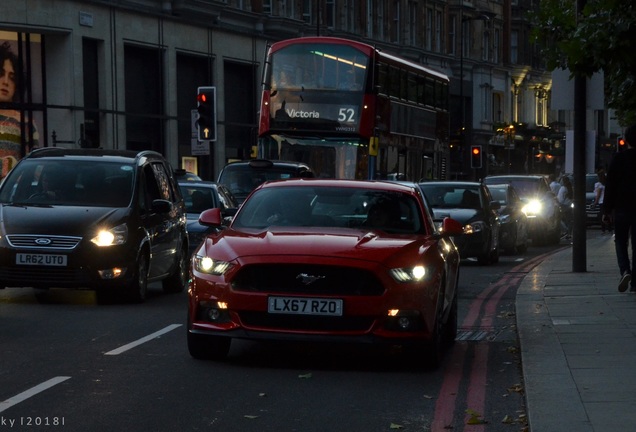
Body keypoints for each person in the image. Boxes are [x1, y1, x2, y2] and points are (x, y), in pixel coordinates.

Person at [603, 124, 636, 292]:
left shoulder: (618, 158)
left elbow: (610, 186)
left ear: (625, 140)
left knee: (621, 241)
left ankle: (625, 270)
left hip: (622, 207)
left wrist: (607, 210)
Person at [0, 41, 38, 178]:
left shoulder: (24, 121)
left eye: (12, 77)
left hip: (11, 192)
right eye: (1, 74)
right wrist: (8, 165)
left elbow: (34, 165)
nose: (5, 82)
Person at [594, 169, 611, 234]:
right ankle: (609, 228)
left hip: (601, 202)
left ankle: (604, 229)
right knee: (606, 214)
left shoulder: (599, 185)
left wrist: (595, 202)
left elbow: (598, 195)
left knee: (602, 216)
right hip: (606, 201)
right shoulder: (605, 184)